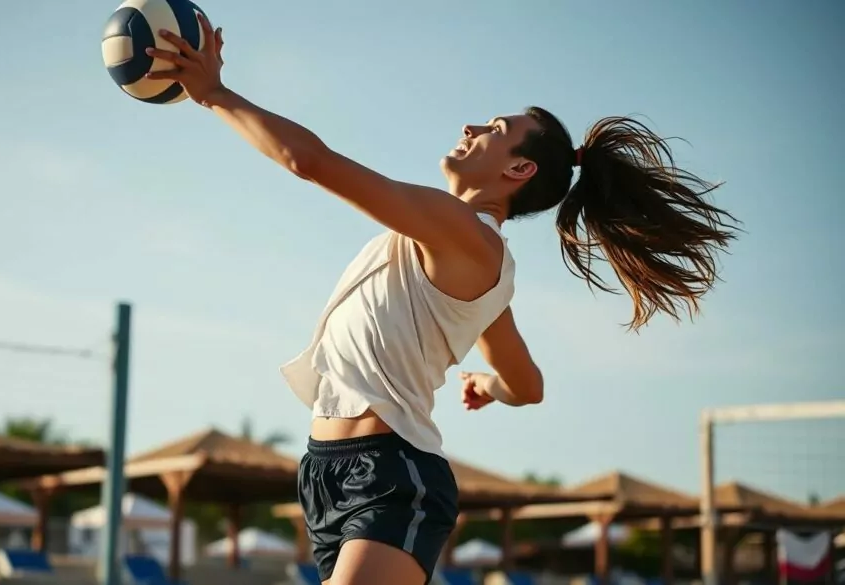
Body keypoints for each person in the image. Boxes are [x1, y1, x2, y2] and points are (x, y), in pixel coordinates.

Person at [147, 15, 737, 585]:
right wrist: (491, 386)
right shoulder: (474, 265)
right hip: (326, 472)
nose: (471, 128)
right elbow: (528, 385)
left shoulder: (465, 235)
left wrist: (213, 94)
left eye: (493, 131)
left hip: (392, 474)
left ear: (520, 168)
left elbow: (310, 162)